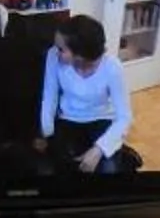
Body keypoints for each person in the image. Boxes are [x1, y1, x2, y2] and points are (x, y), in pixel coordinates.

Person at [35, 13, 140, 175]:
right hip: (68, 118)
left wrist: (99, 149)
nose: (55, 52)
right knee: (64, 169)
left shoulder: (112, 68)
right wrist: (46, 133)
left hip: (102, 118)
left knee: (108, 171)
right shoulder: (53, 57)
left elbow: (124, 116)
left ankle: (118, 150)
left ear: (80, 55)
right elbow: (49, 97)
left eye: (61, 49)